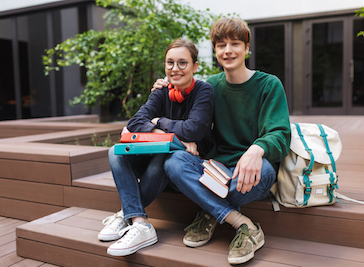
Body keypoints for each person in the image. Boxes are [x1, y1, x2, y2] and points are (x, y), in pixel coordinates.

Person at [152, 18, 291, 264]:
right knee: (174, 162)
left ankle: (208, 212)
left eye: (235, 44)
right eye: (221, 45)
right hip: (214, 168)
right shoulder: (210, 87)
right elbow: (183, 115)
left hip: (251, 171)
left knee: (265, 170)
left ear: (247, 48)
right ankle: (243, 224)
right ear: (215, 51)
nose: (228, 50)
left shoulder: (269, 85)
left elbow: (280, 135)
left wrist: (257, 149)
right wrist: (165, 89)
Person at [99, 38, 214, 257]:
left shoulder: (203, 91)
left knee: (165, 156)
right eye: (170, 63)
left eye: (182, 63)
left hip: (185, 167)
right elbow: (135, 122)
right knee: (115, 152)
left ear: (195, 66)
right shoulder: (162, 90)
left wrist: (158, 121)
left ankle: (125, 213)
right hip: (156, 163)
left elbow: (194, 129)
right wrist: (170, 138)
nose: (175, 69)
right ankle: (140, 222)